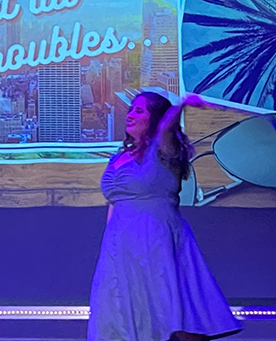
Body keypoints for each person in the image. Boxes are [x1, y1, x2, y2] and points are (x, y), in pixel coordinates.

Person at [89, 92, 242, 341]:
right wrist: (109, 247)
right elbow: (115, 203)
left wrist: (181, 104)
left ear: (156, 118)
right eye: (130, 109)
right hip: (121, 245)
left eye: (140, 111)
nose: (130, 115)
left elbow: (166, 129)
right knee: (122, 307)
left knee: (167, 304)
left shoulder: (164, 151)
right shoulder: (119, 157)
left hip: (156, 237)